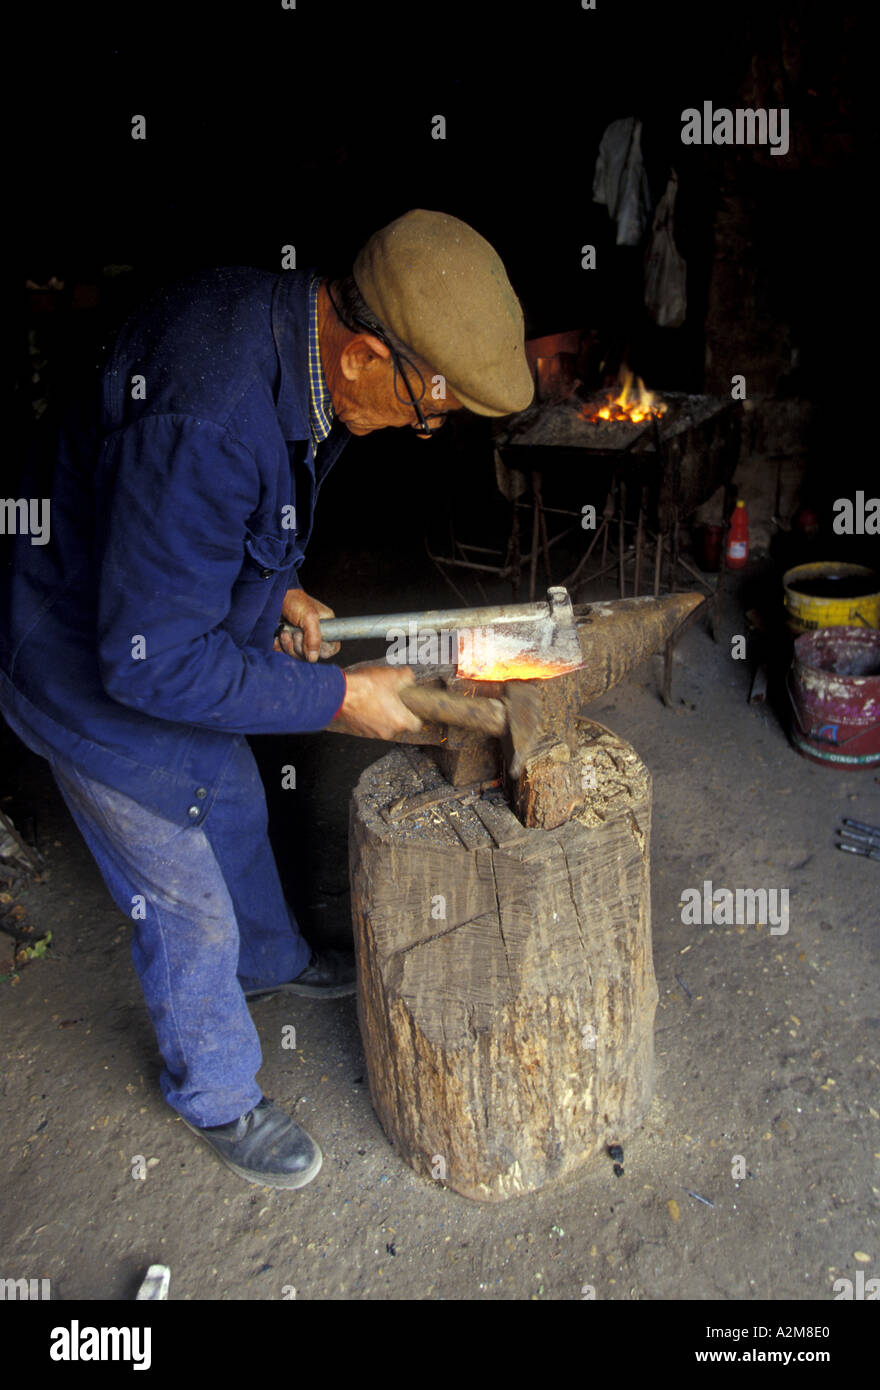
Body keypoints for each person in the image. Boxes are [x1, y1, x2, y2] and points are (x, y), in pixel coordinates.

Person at [0, 209, 534, 1189]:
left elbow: (216, 519)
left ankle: (273, 960)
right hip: (90, 669)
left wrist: (275, 589)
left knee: (235, 799)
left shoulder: (294, 341)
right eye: (431, 409)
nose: (429, 428)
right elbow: (149, 664)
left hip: (154, 619)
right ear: (371, 355)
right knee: (187, 902)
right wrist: (338, 698)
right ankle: (218, 1092)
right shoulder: (207, 415)